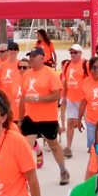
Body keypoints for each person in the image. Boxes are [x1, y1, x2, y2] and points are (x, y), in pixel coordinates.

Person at [20, 47, 71, 184]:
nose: (30, 59)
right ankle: (22, 177)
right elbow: (23, 98)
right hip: (30, 117)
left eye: (33, 56)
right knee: (25, 146)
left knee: (53, 145)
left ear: (42, 58)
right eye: (29, 56)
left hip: (48, 118)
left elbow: (57, 95)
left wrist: (38, 99)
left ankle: (63, 170)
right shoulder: (26, 75)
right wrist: (20, 118)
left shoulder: (50, 74)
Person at [60, 44, 88, 157]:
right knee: (70, 122)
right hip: (71, 98)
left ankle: (93, 145)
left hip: (84, 99)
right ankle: (68, 147)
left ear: (81, 53)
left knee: (89, 123)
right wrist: (64, 97)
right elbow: (66, 81)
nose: (73, 54)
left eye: (75, 52)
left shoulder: (86, 64)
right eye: (71, 52)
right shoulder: (67, 64)